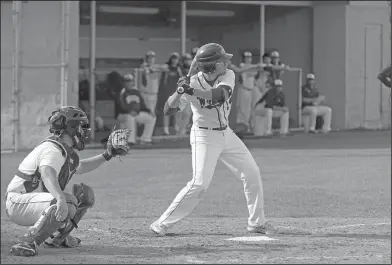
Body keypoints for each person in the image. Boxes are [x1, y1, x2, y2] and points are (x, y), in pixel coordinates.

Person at [150, 43, 275, 236]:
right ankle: (162, 223)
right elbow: (168, 110)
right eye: (222, 60)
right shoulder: (191, 83)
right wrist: (179, 92)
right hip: (204, 136)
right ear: (213, 65)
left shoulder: (228, 75)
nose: (227, 61)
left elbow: (220, 95)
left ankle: (256, 222)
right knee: (199, 183)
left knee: (252, 173)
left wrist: (191, 91)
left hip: (226, 133)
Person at [5, 106, 125, 257]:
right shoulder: (52, 149)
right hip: (18, 202)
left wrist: (108, 155)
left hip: (33, 202)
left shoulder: (65, 150)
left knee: (84, 197)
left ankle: (57, 237)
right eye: (81, 125)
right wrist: (60, 198)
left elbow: (81, 167)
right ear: (70, 127)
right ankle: (27, 241)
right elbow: (47, 173)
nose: (84, 130)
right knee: (68, 202)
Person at [117, 73, 156, 146]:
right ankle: (130, 141)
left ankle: (146, 139)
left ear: (132, 82)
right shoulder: (122, 92)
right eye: (127, 81)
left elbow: (142, 105)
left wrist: (149, 111)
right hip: (124, 114)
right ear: (124, 83)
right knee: (130, 118)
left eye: (130, 81)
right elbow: (120, 106)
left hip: (136, 113)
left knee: (152, 118)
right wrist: (129, 111)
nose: (128, 83)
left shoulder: (136, 91)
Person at [161, 52, 184, 135]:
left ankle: (175, 126)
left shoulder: (178, 69)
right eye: (173, 58)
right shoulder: (167, 68)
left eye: (176, 59)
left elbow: (181, 80)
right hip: (167, 92)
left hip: (176, 93)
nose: (174, 60)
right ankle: (165, 128)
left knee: (176, 110)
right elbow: (164, 81)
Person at [140, 50, 168, 116]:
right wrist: (152, 69)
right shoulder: (143, 66)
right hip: (145, 94)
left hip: (154, 94)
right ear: (146, 59)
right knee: (147, 113)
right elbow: (146, 70)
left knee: (151, 112)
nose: (150, 59)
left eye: (152, 58)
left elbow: (166, 67)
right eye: (149, 58)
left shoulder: (156, 66)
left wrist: (156, 68)